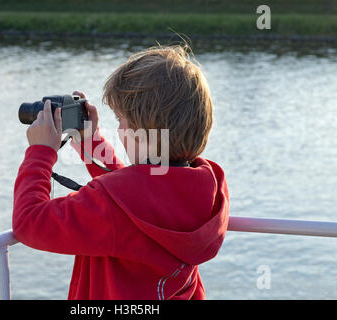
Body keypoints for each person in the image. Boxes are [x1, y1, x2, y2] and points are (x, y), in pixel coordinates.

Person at [12, 45, 229, 300]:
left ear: (142, 131)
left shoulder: (118, 204)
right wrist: (91, 142)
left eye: (120, 120)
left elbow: (29, 223)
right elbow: (136, 200)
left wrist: (40, 152)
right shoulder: (207, 189)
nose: (119, 129)